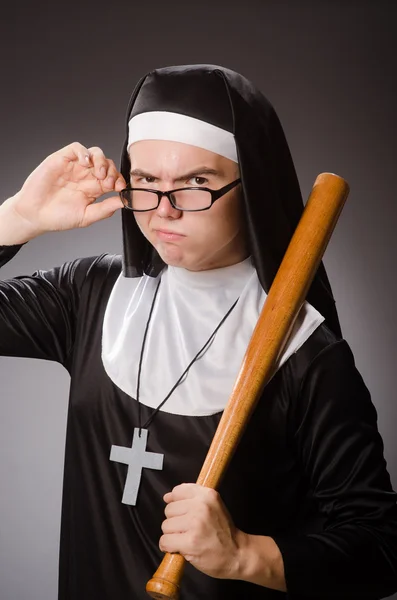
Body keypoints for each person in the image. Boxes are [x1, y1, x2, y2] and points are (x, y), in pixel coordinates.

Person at [1, 64, 397, 600]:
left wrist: (246, 555)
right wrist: (17, 218)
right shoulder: (90, 294)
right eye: (145, 182)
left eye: (196, 183)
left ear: (250, 185)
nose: (164, 210)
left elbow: (382, 550)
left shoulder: (305, 352)